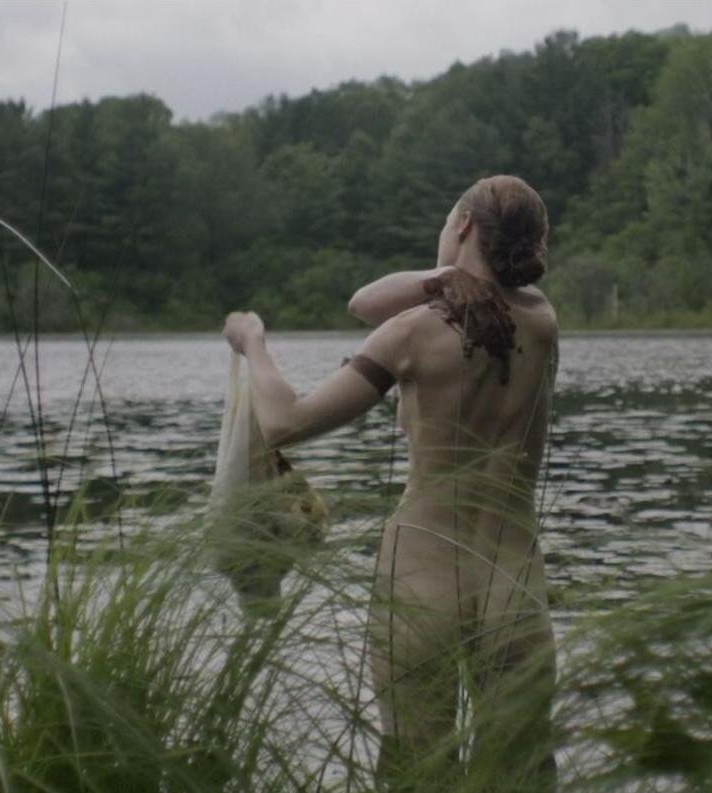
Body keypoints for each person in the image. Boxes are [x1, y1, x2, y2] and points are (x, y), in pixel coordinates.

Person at [221, 174, 559, 789]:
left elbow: (286, 422)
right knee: (522, 773)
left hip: (422, 581)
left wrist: (253, 344)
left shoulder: (412, 332)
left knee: (416, 771)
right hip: (515, 588)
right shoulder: (541, 321)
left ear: (463, 225)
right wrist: (451, 275)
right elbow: (370, 302)